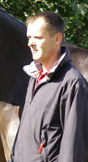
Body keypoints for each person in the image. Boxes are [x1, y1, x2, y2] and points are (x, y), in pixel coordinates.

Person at [11, 11, 88, 162]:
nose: (30, 43)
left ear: (57, 38)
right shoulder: (35, 77)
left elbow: (73, 150)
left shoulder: (72, 84)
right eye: (29, 37)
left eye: (38, 38)